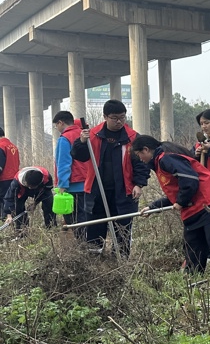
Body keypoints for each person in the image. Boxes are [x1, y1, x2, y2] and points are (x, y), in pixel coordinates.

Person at [133, 135, 210, 279]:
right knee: (193, 246)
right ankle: (193, 279)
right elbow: (176, 191)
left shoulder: (166, 158)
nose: (140, 159)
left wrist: (181, 202)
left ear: (146, 150)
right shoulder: (160, 162)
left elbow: (189, 180)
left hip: (209, 204)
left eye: (139, 155)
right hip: (193, 209)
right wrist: (153, 207)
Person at [71, 100, 150, 257]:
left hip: (124, 192)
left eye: (122, 117)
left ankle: (121, 260)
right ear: (105, 117)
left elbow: (141, 163)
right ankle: (94, 261)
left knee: (123, 228)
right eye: (115, 118)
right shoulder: (92, 135)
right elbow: (78, 155)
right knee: (95, 228)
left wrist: (139, 184)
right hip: (96, 191)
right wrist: (81, 142)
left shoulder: (133, 138)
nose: (119, 121)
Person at [52, 111, 89, 237]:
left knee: (74, 220)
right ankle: (91, 243)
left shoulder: (65, 138)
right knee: (87, 217)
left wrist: (62, 184)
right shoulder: (84, 135)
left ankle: (82, 246)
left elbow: (63, 164)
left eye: (56, 125)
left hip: (72, 186)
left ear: (60, 123)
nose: (57, 129)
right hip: (88, 184)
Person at [2, 166, 55, 231]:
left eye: (31, 187)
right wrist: (9, 216)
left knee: (49, 203)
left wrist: (35, 203)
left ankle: (51, 227)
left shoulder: (46, 177)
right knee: (18, 206)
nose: (30, 188)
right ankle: (22, 229)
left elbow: (46, 192)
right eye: (29, 186)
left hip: (40, 189)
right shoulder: (16, 182)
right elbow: (9, 198)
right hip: (23, 189)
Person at [0, 127, 21, 202]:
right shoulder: (13, 146)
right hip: (15, 179)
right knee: (13, 202)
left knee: (4, 205)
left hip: (3, 181)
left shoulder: (1, 146)